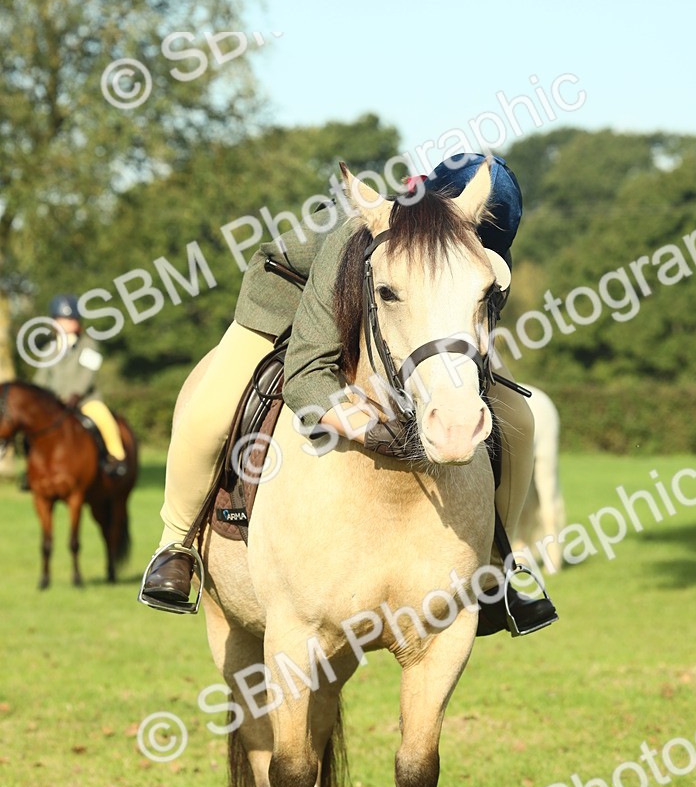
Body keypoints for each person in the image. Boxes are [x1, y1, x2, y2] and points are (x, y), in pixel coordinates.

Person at [139, 154, 546, 632]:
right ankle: (176, 545)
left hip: (402, 314)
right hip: (287, 295)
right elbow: (307, 369)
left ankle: (501, 565)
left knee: (520, 417)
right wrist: (355, 423)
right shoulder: (355, 237)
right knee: (210, 411)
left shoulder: (477, 247)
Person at [33, 295, 127, 475]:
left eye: (70, 319)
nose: (66, 323)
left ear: (77, 322)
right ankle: (32, 469)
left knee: (103, 418)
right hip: (55, 404)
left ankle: (117, 458)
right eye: (61, 319)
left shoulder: (89, 345)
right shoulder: (48, 350)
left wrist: (75, 395)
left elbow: (87, 375)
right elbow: (41, 379)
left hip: (84, 401)